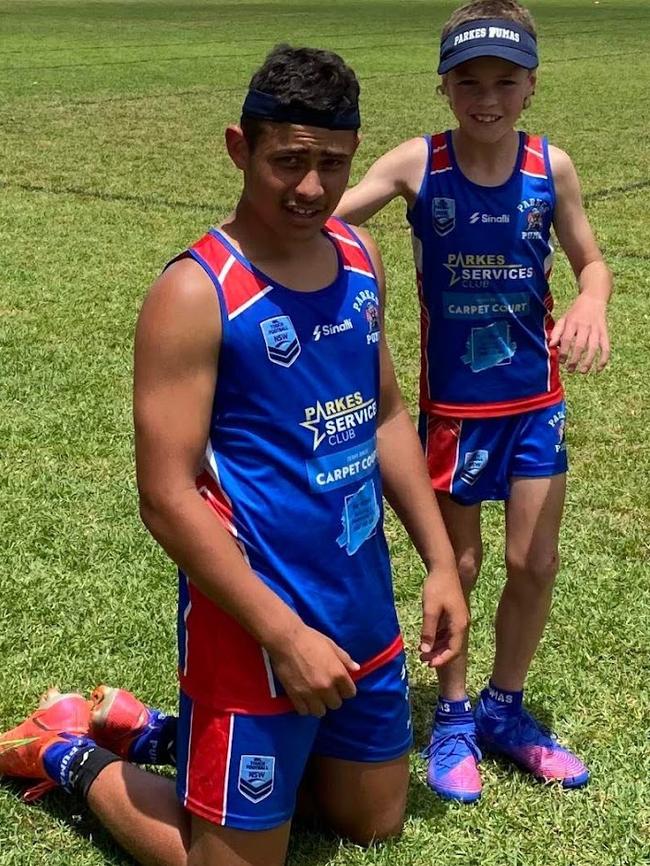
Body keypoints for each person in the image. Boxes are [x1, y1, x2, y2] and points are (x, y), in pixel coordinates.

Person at [0, 45, 468, 866]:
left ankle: (167, 734)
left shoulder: (359, 259)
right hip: (252, 626)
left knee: (373, 824)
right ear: (237, 147)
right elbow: (165, 497)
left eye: (334, 163)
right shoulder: (195, 292)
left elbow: (388, 414)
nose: (313, 187)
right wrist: (283, 636)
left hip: (357, 607)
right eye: (289, 160)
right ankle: (65, 753)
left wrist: (438, 561)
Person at [335, 0, 611, 804]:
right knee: (454, 564)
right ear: (444, 87)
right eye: (468, 81)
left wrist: (593, 300)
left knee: (534, 561)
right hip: (456, 409)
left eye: (503, 80)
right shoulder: (419, 165)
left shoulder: (549, 168)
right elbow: (328, 216)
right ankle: (454, 714)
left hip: (535, 400)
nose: (485, 97)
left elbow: (591, 261)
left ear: (530, 87)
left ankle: (505, 708)